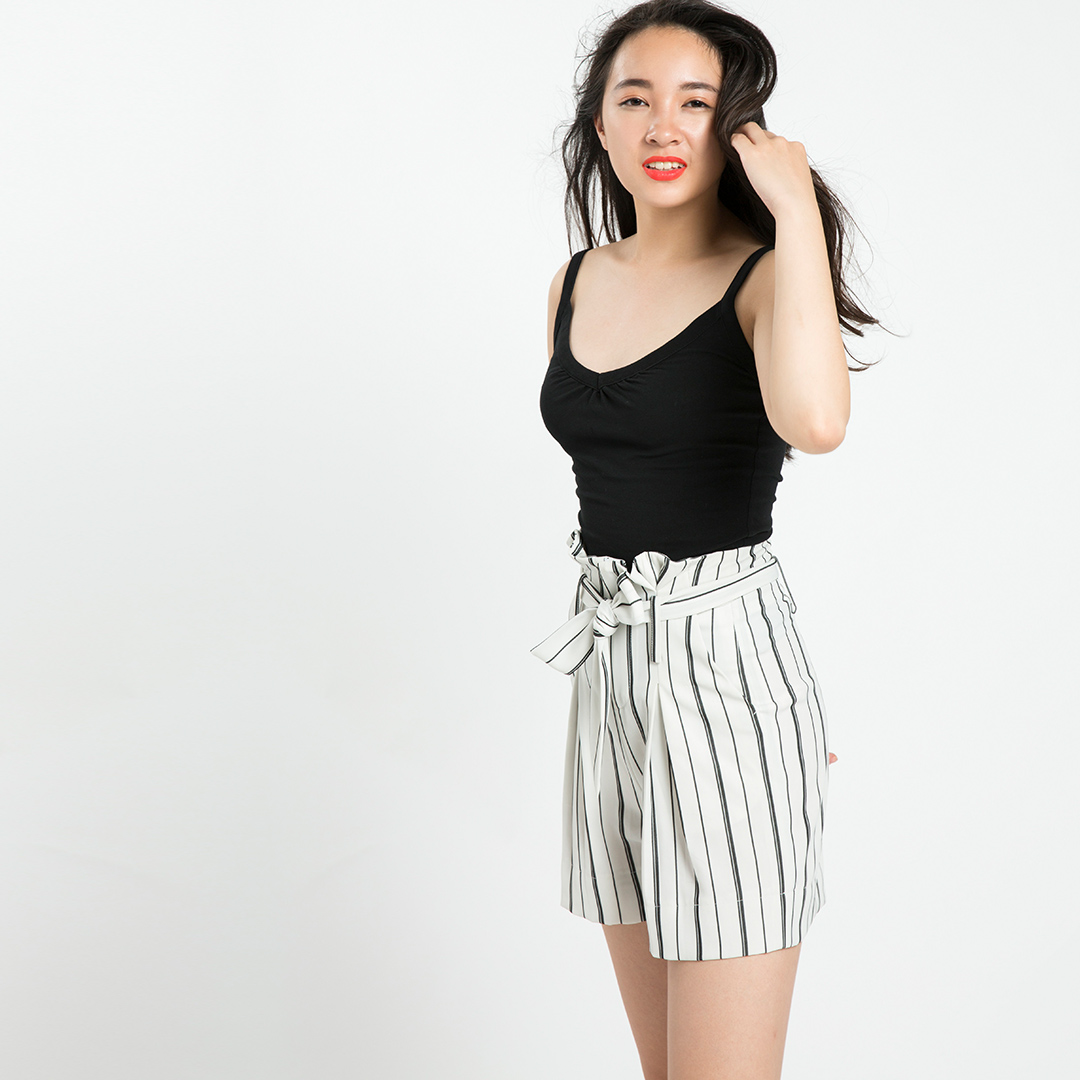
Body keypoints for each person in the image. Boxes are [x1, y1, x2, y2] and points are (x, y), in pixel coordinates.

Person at [530, 2, 883, 1077]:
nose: (662, 124)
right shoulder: (576, 280)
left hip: (727, 667)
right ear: (600, 122)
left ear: (737, 127)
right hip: (609, 676)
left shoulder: (766, 275)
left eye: (696, 101)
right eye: (634, 98)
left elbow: (816, 423)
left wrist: (796, 215)